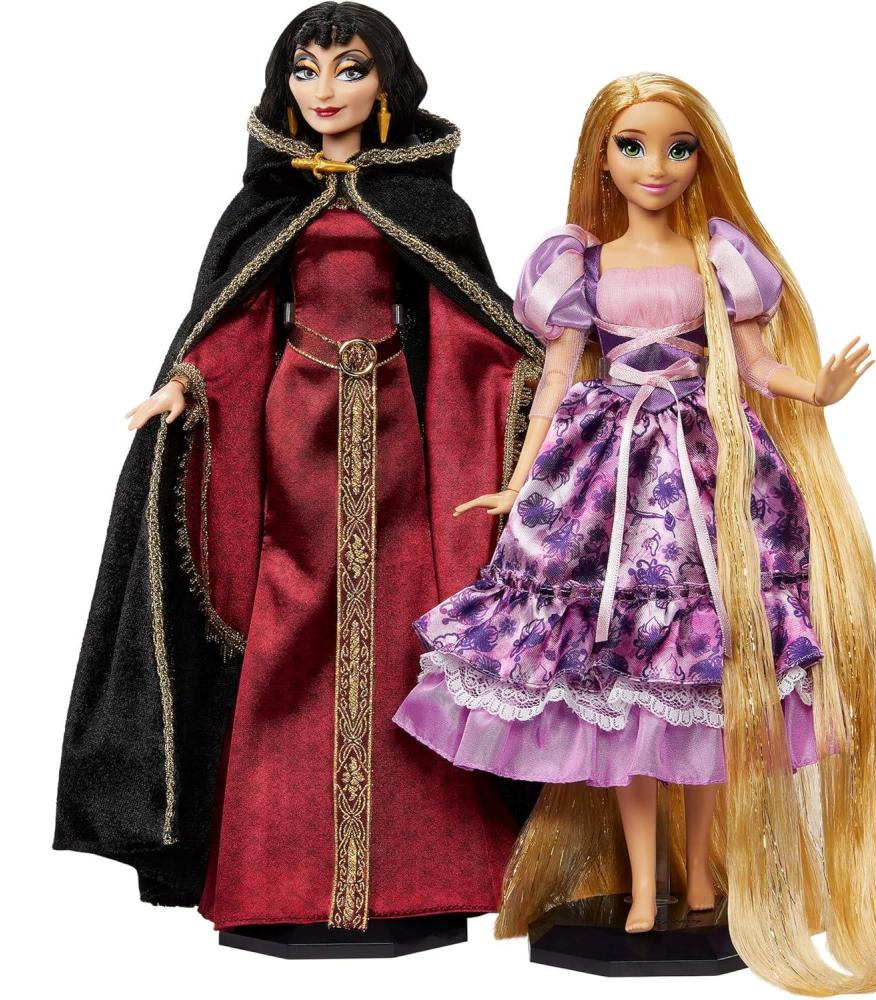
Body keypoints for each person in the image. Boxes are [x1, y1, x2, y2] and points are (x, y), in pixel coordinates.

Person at [393, 72, 876, 992]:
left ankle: (704, 880)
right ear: (603, 158)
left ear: (701, 158)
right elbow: (557, 381)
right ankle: (645, 887)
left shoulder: (719, 257)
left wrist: (816, 390)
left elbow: (757, 362)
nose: (656, 165)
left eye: (677, 147)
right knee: (625, 693)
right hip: (604, 474)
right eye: (634, 146)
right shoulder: (578, 264)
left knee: (714, 680)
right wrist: (519, 486)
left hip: (708, 466)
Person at [54, 2, 542, 933]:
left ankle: (417, 883)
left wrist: (531, 379)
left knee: (404, 618)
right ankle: (277, 886)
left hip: (400, 426)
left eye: (349, 69)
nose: (325, 90)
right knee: (288, 615)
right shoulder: (266, 204)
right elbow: (235, 319)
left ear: (386, 84)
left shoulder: (426, 204)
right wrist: (187, 385)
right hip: (293, 426)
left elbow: (466, 322)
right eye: (306, 70)